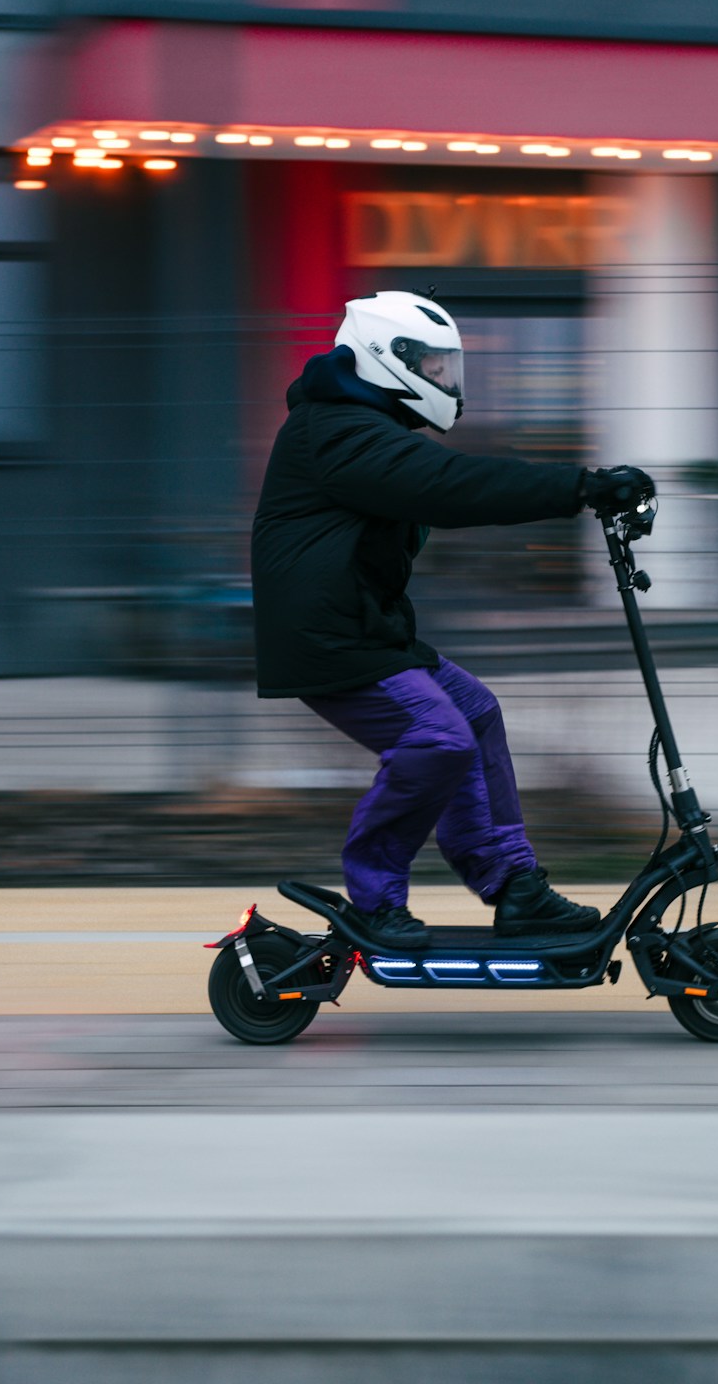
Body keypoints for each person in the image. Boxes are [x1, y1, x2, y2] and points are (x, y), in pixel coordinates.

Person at [250, 289, 655, 951]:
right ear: (389, 359)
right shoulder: (338, 431)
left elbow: (438, 484)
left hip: (367, 631)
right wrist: (579, 486)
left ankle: (514, 885)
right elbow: (451, 484)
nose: (446, 380)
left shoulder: (366, 428)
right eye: (434, 367)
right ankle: (376, 899)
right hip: (329, 642)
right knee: (439, 739)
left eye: (446, 367)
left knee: (475, 712)